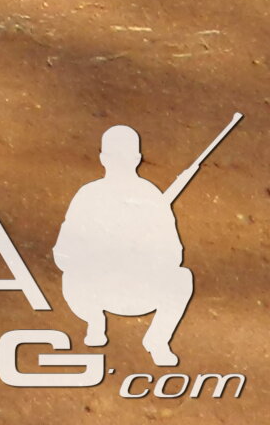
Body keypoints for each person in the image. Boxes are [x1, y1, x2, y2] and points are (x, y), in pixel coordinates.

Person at [56, 124, 199, 368]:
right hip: (96, 289)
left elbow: (173, 255)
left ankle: (157, 341)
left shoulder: (150, 197)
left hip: (137, 290)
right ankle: (94, 321)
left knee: (182, 278)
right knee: (73, 275)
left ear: (103, 158)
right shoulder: (89, 195)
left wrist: (140, 251)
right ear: (137, 158)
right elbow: (64, 254)